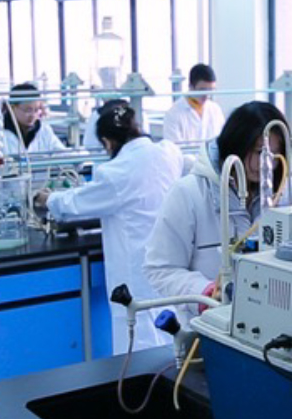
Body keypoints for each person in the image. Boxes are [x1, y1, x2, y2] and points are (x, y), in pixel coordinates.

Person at [32, 100, 185, 352]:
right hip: (170, 261)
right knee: (170, 337)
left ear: (108, 142)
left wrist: (47, 199)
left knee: (139, 342)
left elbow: (77, 203)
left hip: (137, 270)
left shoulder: (116, 172)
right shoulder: (168, 152)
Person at [145, 102, 292, 315]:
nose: (265, 164)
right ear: (235, 145)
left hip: (275, 317)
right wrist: (206, 292)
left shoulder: (288, 191)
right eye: (259, 152)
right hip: (210, 320)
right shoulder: (188, 194)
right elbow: (161, 268)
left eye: (274, 156)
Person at [161, 64, 224, 147]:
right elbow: (173, 150)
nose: (207, 95)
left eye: (211, 90)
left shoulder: (216, 110)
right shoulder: (173, 114)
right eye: (202, 90)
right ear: (190, 86)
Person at [0, 83, 67, 154]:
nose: (33, 115)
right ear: (12, 108)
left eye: (36, 110)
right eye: (28, 110)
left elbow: (62, 152)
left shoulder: (44, 130)